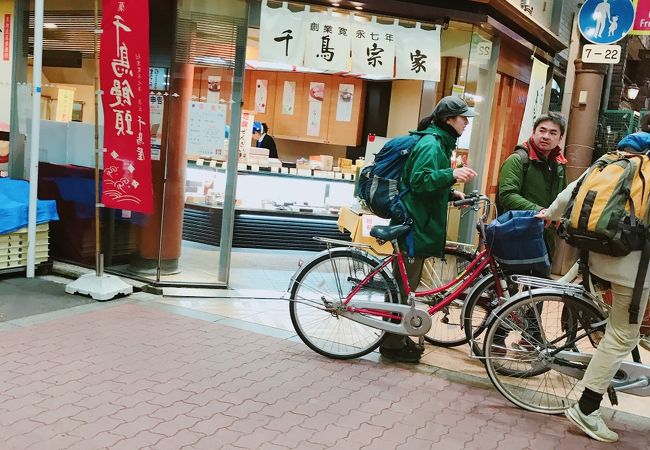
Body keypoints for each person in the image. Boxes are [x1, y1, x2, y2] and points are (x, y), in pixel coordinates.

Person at [536, 114, 650, 443]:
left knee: (618, 328)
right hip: (631, 268)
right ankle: (587, 408)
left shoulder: (615, 159)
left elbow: (570, 194)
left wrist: (549, 215)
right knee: (622, 336)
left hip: (598, 258)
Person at [379, 96, 478, 363]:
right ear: (448, 120)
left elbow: (424, 187)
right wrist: (451, 175)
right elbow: (420, 182)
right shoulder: (431, 144)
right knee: (404, 287)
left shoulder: (439, 143)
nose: (466, 123)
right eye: (463, 118)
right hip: (412, 226)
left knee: (406, 286)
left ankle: (397, 338)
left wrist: (449, 192)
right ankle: (391, 344)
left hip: (419, 223)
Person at [497, 111, 568, 269]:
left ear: (560, 138)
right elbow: (507, 195)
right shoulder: (518, 160)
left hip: (546, 238)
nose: (546, 136)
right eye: (542, 130)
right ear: (534, 132)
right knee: (514, 287)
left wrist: (560, 216)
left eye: (552, 132)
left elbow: (563, 197)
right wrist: (541, 211)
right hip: (519, 234)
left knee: (537, 289)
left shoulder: (559, 165)